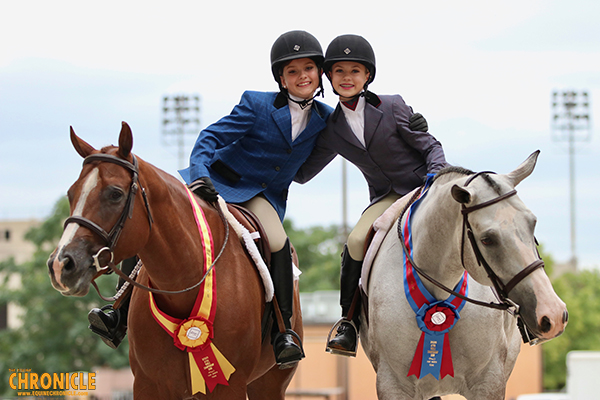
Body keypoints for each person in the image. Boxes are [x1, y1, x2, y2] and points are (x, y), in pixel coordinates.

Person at [176, 30, 335, 368]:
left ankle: (284, 332)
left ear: (319, 72)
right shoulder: (256, 104)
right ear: (282, 78)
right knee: (162, 215)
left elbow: (359, 121)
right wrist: (200, 173)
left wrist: (406, 125)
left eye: (308, 68)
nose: (302, 76)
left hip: (260, 196)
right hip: (217, 182)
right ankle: (118, 309)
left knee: (278, 241)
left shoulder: (325, 118)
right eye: (292, 71)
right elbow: (211, 136)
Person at [295, 34, 448, 358]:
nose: (347, 78)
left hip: (425, 184)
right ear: (329, 78)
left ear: (367, 76)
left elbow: (431, 146)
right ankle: (348, 323)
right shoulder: (332, 127)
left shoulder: (391, 105)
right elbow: (304, 172)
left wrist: (435, 177)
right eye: (339, 71)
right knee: (354, 241)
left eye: (355, 71)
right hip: (388, 195)